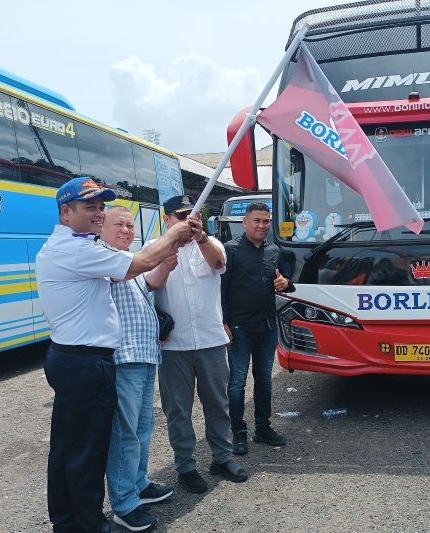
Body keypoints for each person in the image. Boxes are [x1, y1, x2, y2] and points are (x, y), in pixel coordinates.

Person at [36, 177, 194, 533]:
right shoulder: (75, 250)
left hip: (78, 358)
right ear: (66, 211)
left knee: (70, 448)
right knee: (86, 452)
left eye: (100, 206)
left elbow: (140, 273)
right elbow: (136, 265)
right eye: (90, 206)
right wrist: (174, 232)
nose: (98, 213)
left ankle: (68, 520)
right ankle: (88, 524)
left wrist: (166, 251)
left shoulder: (79, 246)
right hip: (84, 361)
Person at [150, 195, 248, 492]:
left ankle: (222, 457)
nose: (188, 221)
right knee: (177, 410)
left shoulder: (211, 244)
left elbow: (218, 262)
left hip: (210, 341)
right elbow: (146, 287)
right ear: (166, 219)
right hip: (173, 346)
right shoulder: (151, 250)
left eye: (193, 216)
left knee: (218, 404)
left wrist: (201, 237)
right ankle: (186, 466)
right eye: (181, 216)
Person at [101, 206, 178, 531]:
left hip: (145, 356)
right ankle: (124, 502)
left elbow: (153, 282)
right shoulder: (102, 257)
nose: (126, 229)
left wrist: (167, 262)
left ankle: (139, 484)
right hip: (124, 358)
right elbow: (141, 268)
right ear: (101, 226)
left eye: (131, 224)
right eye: (119, 223)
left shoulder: (127, 259)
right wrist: (168, 242)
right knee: (125, 433)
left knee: (143, 428)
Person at [221, 202, 294, 455]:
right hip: (240, 328)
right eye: (257, 221)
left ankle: (263, 428)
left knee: (264, 380)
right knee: (237, 382)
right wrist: (224, 323)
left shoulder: (275, 250)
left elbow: (286, 282)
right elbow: (221, 290)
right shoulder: (230, 250)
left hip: (267, 327)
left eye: (266, 221)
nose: (262, 225)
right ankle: (238, 432)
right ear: (245, 223)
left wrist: (286, 283)